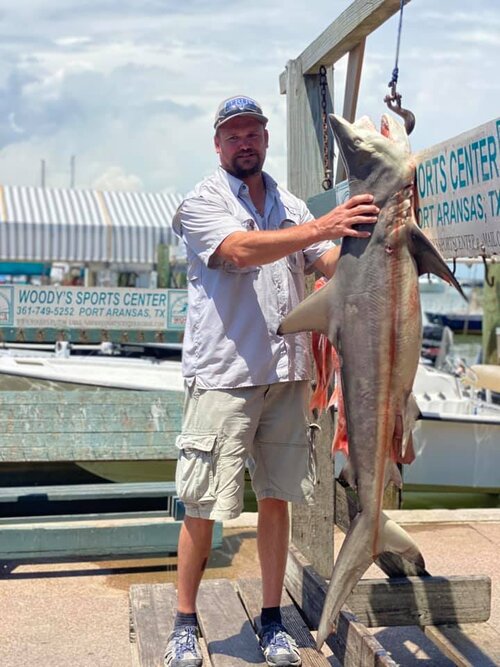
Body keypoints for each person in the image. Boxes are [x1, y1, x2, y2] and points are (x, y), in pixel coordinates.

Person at [165, 95, 378, 667]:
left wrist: (366, 241)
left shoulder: (288, 201)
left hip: (287, 375)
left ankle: (270, 618)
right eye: (233, 135)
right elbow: (237, 252)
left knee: (278, 499)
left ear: (265, 138)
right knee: (202, 504)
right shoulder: (202, 201)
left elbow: (322, 260)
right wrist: (321, 225)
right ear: (217, 145)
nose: (245, 142)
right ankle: (184, 623)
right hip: (225, 376)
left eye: (253, 132)